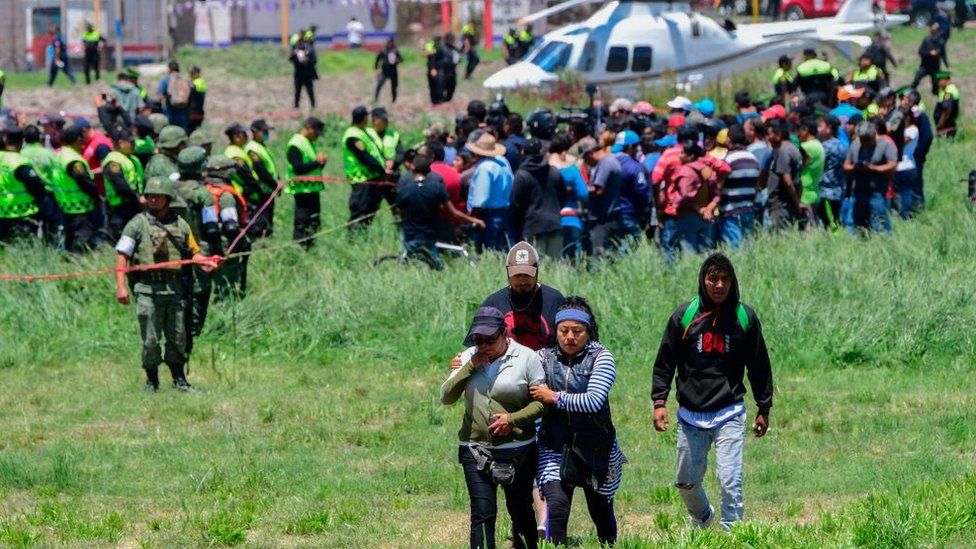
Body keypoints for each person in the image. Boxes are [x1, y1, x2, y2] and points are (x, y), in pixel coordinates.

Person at [652, 253, 774, 531]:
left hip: (729, 411)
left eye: (725, 279)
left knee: (730, 479)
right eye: (713, 279)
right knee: (685, 481)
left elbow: (759, 365)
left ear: (733, 282)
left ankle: (734, 534)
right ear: (703, 280)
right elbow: (664, 361)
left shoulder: (744, 317)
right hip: (690, 414)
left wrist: (763, 407)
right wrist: (659, 401)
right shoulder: (685, 316)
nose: (719, 285)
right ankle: (703, 515)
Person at [440, 306, 545, 549]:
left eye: (490, 339)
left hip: (518, 450)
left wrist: (512, 420)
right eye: (478, 340)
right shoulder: (468, 357)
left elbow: (541, 404)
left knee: (520, 510)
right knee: (482, 513)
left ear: (504, 333)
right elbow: (446, 397)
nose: (484, 345)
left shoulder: (527, 357)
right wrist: (469, 366)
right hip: (474, 449)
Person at [529, 297, 626, 546]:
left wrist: (554, 397)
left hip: (596, 448)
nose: (570, 337)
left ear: (588, 332)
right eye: (564, 331)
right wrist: (470, 359)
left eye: (577, 331)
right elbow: (512, 359)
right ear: (556, 331)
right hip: (554, 446)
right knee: (557, 509)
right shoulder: (542, 357)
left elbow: (593, 401)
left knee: (601, 513)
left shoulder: (602, 357)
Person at [114, 177, 219, 392]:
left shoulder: (181, 224)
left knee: (178, 337)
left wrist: (206, 262)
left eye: (158, 196)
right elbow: (122, 256)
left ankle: (180, 380)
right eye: (149, 196)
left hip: (175, 290)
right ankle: (152, 382)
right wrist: (121, 286)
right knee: (151, 340)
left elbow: (194, 253)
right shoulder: (137, 224)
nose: (153, 199)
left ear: (168, 198)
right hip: (148, 291)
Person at [395, 154, 484, 269]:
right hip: (431, 233)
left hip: (411, 234)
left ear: (413, 169)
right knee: (435, 264)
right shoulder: (436, 187)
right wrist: (473, 219)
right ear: (429, 171)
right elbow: (453, 213)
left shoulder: (404, 190)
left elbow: (401, 212)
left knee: (412, 262)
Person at [201, 155, 250, 300]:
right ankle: (224, 301)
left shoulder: (203, 190)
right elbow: (231, 227)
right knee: (225, 279)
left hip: (204, 241)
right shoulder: (225, 195)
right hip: (224, 243)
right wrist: (243, 241)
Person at [660, 142, 718, 259]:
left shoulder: (685, 171)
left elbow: (684, 197)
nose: (680, 156)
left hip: (687, 217)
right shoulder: (706, 168)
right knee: (705, 255)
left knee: (689, 255)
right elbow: (717, 192)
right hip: (706, 217)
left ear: (691, 156)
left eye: (683, 153)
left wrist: (698, 208)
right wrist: (709, 208)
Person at [510, 139, 565, 257]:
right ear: (541, 152)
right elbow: (562, 198)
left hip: (532, 228)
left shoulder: (521, 175)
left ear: (523, 153)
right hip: (554, 226)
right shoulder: (554, 172)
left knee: (534, 270)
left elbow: (515, 204)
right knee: (555, 269)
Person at [344, 106, 391, 232]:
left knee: (370, 210)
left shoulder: (364, 131)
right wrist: (382, 170)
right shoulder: (352, 136)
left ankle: (363, 234)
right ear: (364, 118)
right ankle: (352, 238)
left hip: (371, 178)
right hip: (361, 180)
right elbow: (364, 157)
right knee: (359, 210)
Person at [843, 121, 896, 233]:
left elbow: (892, 165)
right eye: (861, 139)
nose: (864, 143)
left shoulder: (886, 144)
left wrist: (872, 168)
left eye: (866, 139)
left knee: (879, 225)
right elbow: (846, 166)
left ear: (873, 134)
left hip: (877, 192)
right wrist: (855, 167)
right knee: (855, 226)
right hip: (858, 192)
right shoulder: (855, 145)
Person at [466, 132, 514, 254]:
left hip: (488, 215)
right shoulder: (503, 162)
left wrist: (471, 218)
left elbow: (480, 199)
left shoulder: (484, 168)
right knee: (502, 249)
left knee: (488, 250)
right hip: (504, 211)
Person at [285, 117, 328, 247]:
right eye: (316, 133)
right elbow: (298, 168)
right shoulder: (295, 144)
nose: (317, 137)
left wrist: (321, 164)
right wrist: (317, 162)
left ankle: (310, 246)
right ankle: (300, 248)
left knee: (314, 221)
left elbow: (311, 169)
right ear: (308, 128)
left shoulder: (308, 142)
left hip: (312, 190)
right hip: (302, 191)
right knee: (302, 223)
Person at [55, 125, 99, 252]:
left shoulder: (60, 154)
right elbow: (85, 182)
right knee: (81, 242)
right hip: (80, 207)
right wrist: (96, 197)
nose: (84, 142)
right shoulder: (73, 160)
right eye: (82, 139)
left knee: (69, 239)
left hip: (65, 205)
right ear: (77, 139)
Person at [0, 127, 49, 241]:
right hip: (22, 214)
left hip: (2, 214)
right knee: (23, 249)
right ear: (23, 141)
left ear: (5, 139)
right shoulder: (20, 162)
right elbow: (37, 187)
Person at [580, 136, 624, 259]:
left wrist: (581, 190)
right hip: (612, 216)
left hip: (603, 220)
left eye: (584, 158)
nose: (585, 162)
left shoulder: (605, 163)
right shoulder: (611, 160)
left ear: (590, 153)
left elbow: (598, 190)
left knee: (598, 258)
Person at [548, 133, 588, 259]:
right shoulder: (571, 170)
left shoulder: (543, 170)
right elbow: (584, 194)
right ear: (564, 152)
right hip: (570, 219)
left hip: (547, 221)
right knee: (574, 260)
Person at [718, 125, 759, 248]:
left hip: (731, 212)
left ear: (728, 139)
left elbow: (719, 187)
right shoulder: (753, 159)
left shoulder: (728, 160)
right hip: (748, 210)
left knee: (734, 249)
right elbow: (756, 187)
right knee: (748, 248)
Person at [761, 120, 804, 230]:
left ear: (778, 135)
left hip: (782, 204)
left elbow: (787, 181)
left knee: (781, 235)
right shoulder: (792, 148)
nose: (767, 138)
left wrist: (797, 203)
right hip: (787, 203)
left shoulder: (783, 151)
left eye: (770, 134)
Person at [102, 134, 145, 240]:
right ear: (121, 143)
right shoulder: (113, 160)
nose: (134, 145)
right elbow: (120, 185)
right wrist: (137, 199)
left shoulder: (131, 158)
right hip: (120, 206)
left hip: (133, 204)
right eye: (131, 143)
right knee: (120, 237)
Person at [244, 119, 279, 238]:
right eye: (264, 132)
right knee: (261, 221)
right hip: (261, 191)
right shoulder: (252, 148)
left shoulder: (261, 146)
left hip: (268, 189)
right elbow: (261, 170)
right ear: (254, 132)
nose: (266, 134)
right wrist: (275, 185)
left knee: (268, 219)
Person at [816, 115, 846, 229]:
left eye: (821, 126)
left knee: (827, 225)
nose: (818, 129)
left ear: (829, 128)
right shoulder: (840, 144)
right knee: (835, 223)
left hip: (825, 191)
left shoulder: (825, 147)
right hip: (837, 191)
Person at [796, 116, 825, 229]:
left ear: (805, 130)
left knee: (806, 232)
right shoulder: (819, 145)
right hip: (814, 192)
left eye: (799, 131)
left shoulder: (806, 147)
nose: (797, 135)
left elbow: (795, 166)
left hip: (804, 195)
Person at [894, 109, 922, 219]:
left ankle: (906, 215)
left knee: (906, 192)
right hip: (900, 166)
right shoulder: (905, 130)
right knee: (900, 193)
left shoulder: (912, 130)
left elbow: (902, 143)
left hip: (907, 166)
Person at [911, 24, 948, 96]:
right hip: (925, 65)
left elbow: (943, 54)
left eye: (936, 30)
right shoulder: (926, 40)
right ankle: (912, 91)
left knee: (935, 83)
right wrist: (929, 53)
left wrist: (946, 64)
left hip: (935, 66)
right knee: (917, 78)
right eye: (933, 30)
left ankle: (935, 96)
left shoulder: (940, 41)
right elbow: (920, 51)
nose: (934, 32)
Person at [157, 62, 191, 132]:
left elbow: (159, 96)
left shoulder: (165, 80)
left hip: (170, 113)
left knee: (170, 133)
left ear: (169, 69)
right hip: (183, 113)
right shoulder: (185, 80)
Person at [290, 36, 318, 109]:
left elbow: (314, 60)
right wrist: (293, 54)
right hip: (298, 75)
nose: (301, 45)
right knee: (297, 92)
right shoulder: (295, 51)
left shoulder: (309, 50)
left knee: (310, 91)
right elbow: (291, 59)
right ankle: (296, 105)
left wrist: (307, 59)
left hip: (307, 75)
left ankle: (313, 105)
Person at [374, 38, 403, 103]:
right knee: (379, 84)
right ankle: (375, 99)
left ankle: (394, 100)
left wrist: (397, 60)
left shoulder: (395, 51)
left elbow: (401, 59)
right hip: (384, 71)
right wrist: (376, 69)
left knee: (394, 87)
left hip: (393, 71)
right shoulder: (383, 51)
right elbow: (377, 60)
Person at [933, 71, 959, 137]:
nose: (937, 83)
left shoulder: (949, 92)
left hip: (946, 126)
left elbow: (947, 109)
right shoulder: (946, 90)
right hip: (946, 125)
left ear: (945, 80)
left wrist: (940, 123)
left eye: (939, 81)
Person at [438, 34, 462, 103]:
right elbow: (435, 58)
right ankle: (440, 100)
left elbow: (459, 55)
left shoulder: (454, 48)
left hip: (452, 70)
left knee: (452, 85)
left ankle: (447, 99)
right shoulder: (441, 48)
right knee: (442, 86)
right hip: (443, 70)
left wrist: (459, 60)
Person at [424, 36, 444, 105]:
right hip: (432, 68)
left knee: (440, 85)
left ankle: (439, 101)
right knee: (432, 85)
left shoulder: (441, 47)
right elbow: (424, 54)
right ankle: (434, 101)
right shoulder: (430, 46)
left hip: (439, 69)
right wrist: (432, 69)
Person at [188, 66, 207, 132]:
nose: (190, 75)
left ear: (197, 73)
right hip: (197, 112)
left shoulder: (198, 82)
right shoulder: (198, 81)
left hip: (195, 113)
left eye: (192, 73)